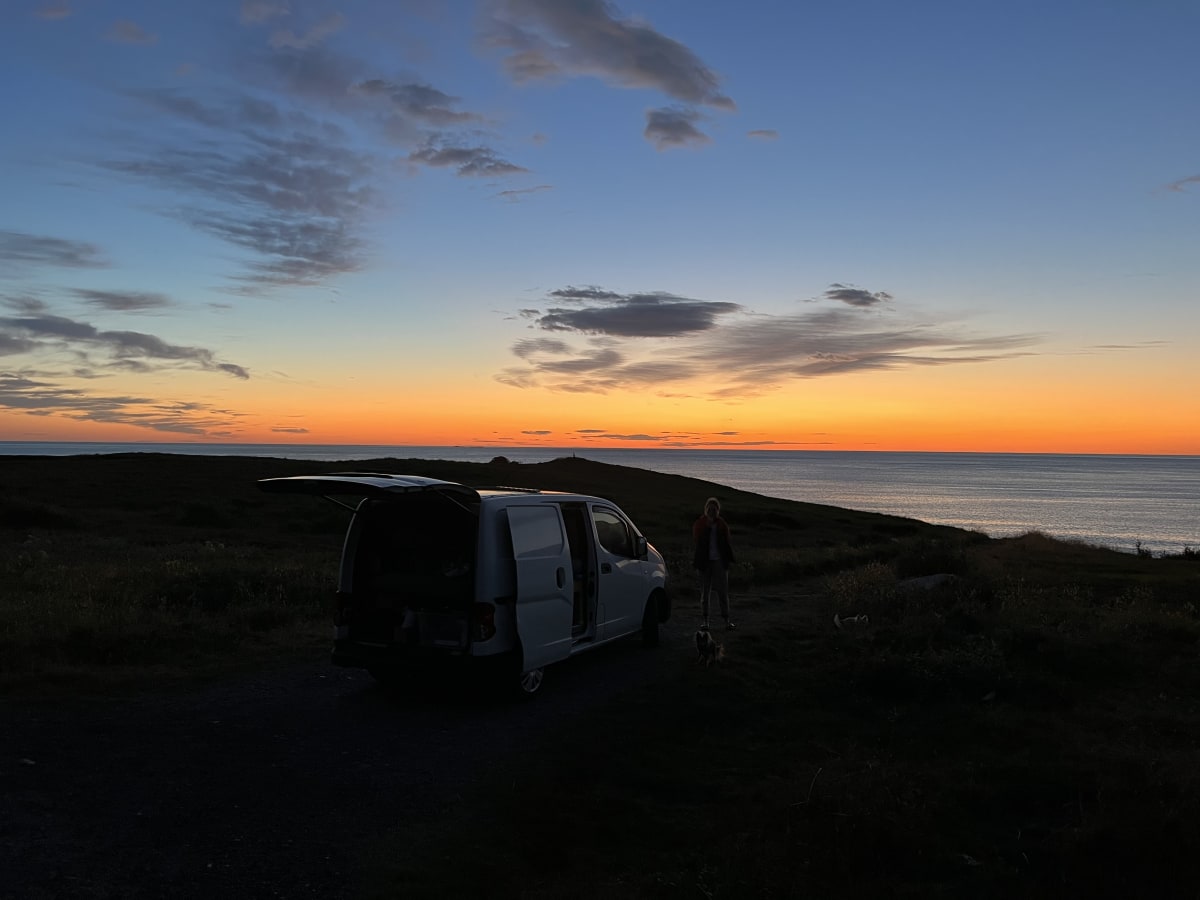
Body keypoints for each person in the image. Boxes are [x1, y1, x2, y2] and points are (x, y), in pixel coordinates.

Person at [692, 496, 736, 630]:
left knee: (723, 592)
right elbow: (697, 540)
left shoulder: (722, 524)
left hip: (719, 561)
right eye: (710, 509)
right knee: (705, 593)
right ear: (706, 510)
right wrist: (708, 528)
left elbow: (727, 541)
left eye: (714, 509)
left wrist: (727, 560)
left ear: (718, 510)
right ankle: (706, 621)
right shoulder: (700, 524)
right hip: (705, 562)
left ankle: (726, 620)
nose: (712, 512)